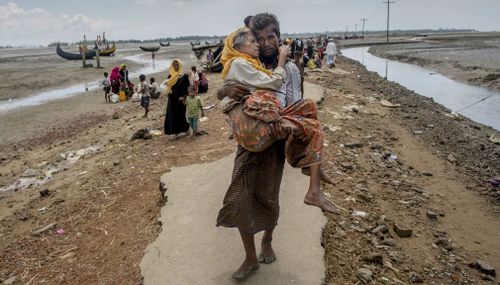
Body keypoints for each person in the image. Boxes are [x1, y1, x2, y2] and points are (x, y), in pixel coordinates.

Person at [216, 13, 338, 282]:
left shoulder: (291, 69)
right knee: (240, 196)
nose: (267, 42)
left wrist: (286, 132)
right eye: (260, 38)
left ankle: (267, 240)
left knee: (268, 197)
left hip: (274, 141)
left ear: (279, 36)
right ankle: (249, 257)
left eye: (272, 36)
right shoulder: (247, 62)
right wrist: (225, 91)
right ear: (254, 41)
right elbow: (222, 90)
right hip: (249, 143)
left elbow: (294, 102)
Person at [163, 59, 190, 138]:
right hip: (172, 99)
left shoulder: (184, 76)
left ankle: (185, 129)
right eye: (174, 65)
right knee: (172, 115)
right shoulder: (170, 76)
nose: (175, 67)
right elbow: (167, 86)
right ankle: (175, 132)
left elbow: (187, 88)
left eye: (177, 65)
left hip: (181, 99)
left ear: (180, 65)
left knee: (181, 114)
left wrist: (184, 97)